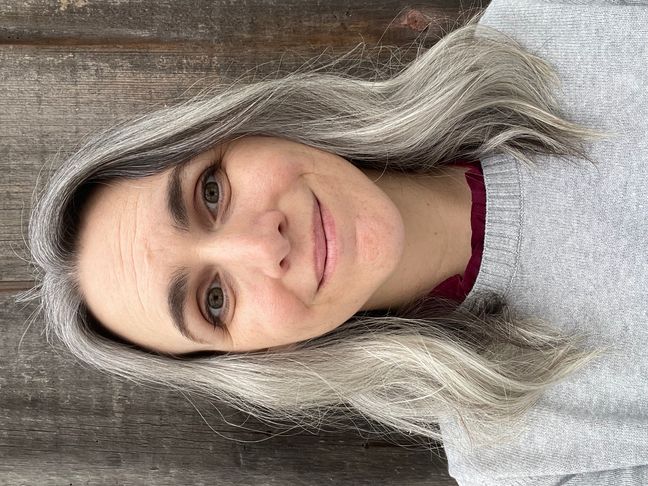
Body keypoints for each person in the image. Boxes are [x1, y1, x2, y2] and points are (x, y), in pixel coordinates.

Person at [20, 0, 648, 482]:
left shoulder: (557, 22)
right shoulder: (530, 463)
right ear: (262, 358)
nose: (262, 248)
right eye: (214, 300)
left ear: (242, 131)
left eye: (210, 193)